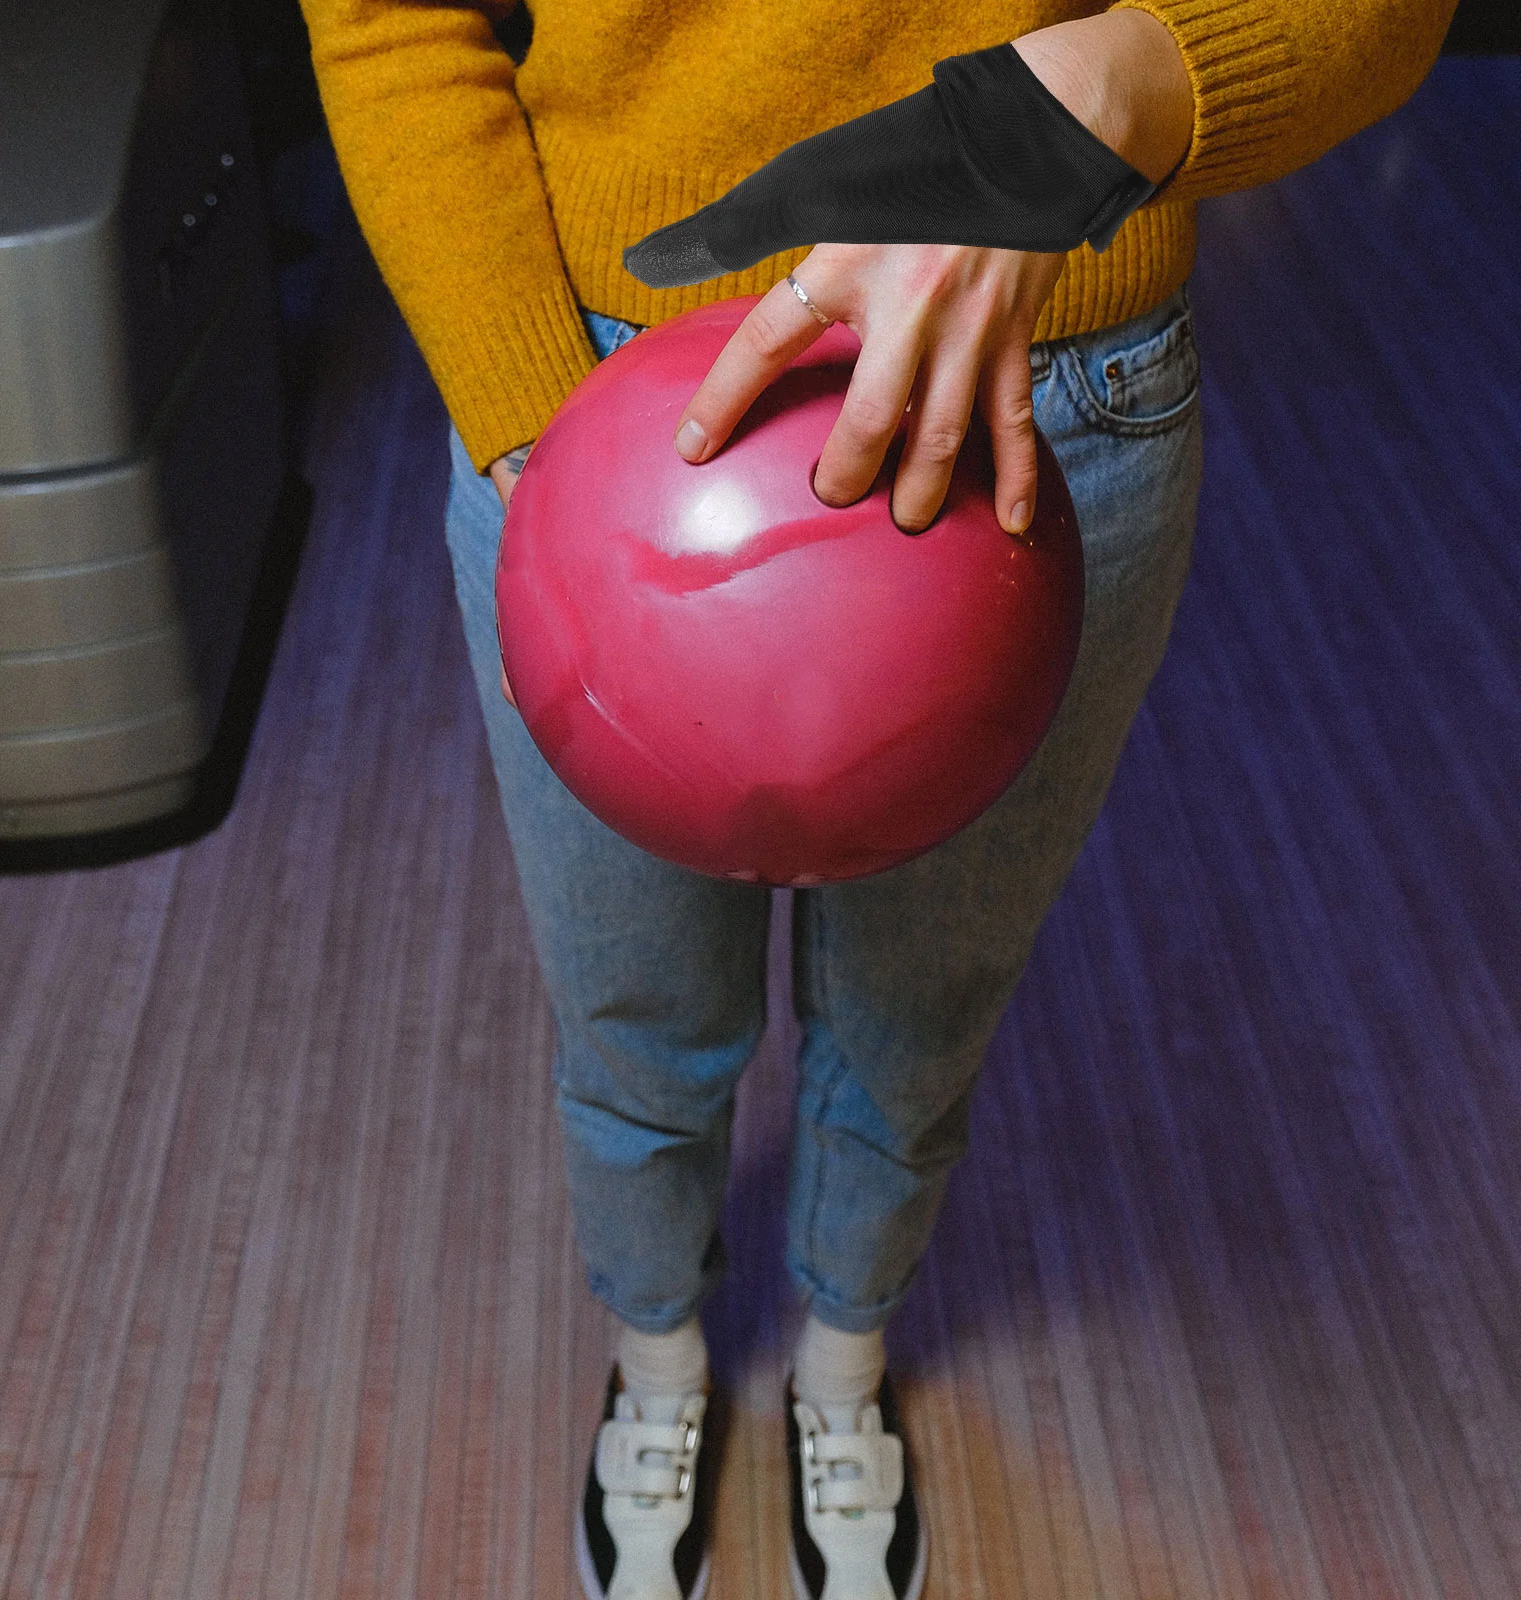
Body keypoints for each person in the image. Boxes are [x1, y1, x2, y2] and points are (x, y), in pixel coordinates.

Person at [294, 2, 1455, 1595]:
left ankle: (844, 1363)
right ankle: (660, 1361)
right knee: (632, 1000)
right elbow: (388, 24)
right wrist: (530, 421)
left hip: (1052, 392)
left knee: (922, 1006)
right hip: (597, 394)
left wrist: (1102, 94)